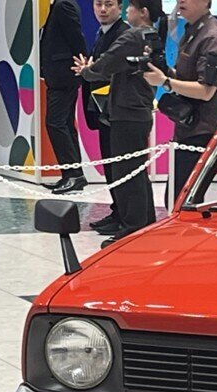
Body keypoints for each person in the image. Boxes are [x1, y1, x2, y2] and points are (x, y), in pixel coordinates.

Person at [75, 0, 162, 245]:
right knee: (136, 171)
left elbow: (106, 64)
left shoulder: (132, 36)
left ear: (142, 12)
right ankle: (143, 222)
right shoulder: (152, 35)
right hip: (138, 109)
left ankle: (132, 227)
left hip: (127, 111)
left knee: (127, 173)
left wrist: (87, 71)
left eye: (129, 7)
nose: (126, 11)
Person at [143, 0, 217, 205]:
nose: (180, 1)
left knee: (180, 200)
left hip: (204, 130)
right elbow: (187, 77)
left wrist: (166, 82)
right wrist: (164, 70)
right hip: (189, 127)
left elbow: (206, 91)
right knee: (177, 198)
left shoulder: (212, 38)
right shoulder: (193, 31)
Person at [82, 0, 128, 235]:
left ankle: (124, 215)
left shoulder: (123, 34)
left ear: (120, 7)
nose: (102, 9)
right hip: (103, 109)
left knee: (119, 165)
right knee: (109, 164)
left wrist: (89, 70)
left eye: (108, 4)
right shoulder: (102, 33)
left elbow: (110, 70)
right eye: (98, 4)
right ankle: (117, 210)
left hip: (117, 109)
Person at [40, 0, 88, 194]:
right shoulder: (59, 5)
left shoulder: (64, 5)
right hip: (60, 75)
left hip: (64, 75)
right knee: (65, 123)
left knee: (56, 123)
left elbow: (76, 37)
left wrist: (83, 66)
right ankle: (72, 174)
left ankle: (73, 174)